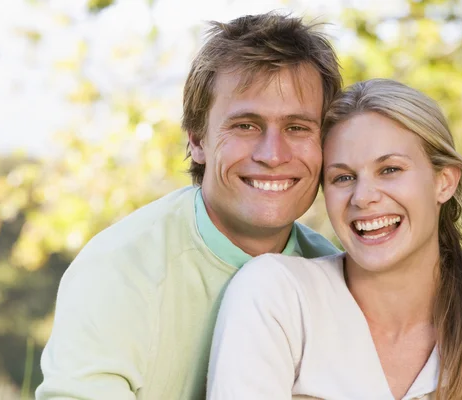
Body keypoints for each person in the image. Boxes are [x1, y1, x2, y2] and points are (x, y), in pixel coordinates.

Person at [36, 12, 343, 400]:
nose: (273, 154)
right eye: (246, 125)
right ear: (198, 140)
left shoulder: (334, 279)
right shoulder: (119, 271)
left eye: (297, 128)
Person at [207, 79, 462, 400]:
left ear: (444, 181)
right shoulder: (276, 296)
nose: (363, 197)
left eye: (390, 170)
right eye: (343, 177)